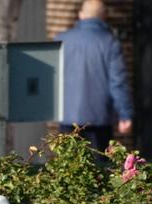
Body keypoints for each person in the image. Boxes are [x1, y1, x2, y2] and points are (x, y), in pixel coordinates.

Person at [54, 0, 133, 151]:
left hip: (67, 118)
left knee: (67, 169)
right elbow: (118, 82)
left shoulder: (61, 40)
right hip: (99, 119)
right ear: (104, 16)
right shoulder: (109, 42)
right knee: (99, 170)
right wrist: (125, 114)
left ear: (81, 15)